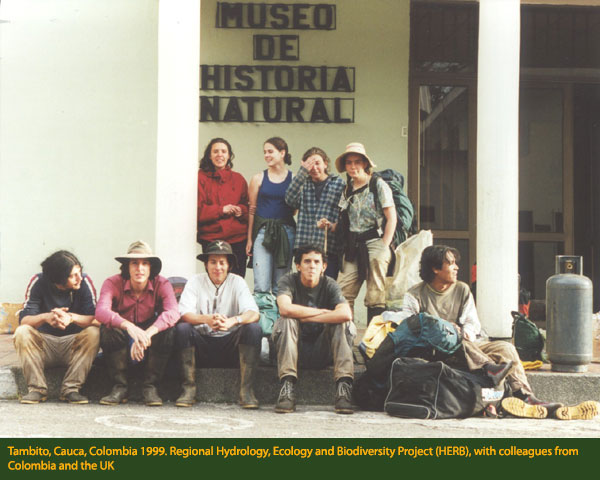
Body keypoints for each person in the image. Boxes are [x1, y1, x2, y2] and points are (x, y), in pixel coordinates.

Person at [398, 244, 570, 419]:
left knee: (505, 348)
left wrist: (464, 332)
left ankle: (525, 396)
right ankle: (492, 382)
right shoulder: (415, 294)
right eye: (450, 263)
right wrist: (445, 328)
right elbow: (409, 328)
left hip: (467, 345)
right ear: (435, 268)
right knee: (453, 339)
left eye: (455, 263)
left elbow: (472, 324)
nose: (456, 267)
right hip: (436, 351)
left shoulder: (462, 289)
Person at [174, 240, 261, 408]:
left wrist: (232, 321)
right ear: (206, 265)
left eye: (222, 262)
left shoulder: (238, 282)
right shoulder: (195, 281)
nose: (218, 267)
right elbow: (184, 313)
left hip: (230, 346)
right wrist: (206, 319)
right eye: (213, 262)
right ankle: (188, 389)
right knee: (183, 329)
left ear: (229, 265)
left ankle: (247, 391)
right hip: (202, 345)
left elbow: (253, 313)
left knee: (253, 329)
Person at [272, 244, 355, 414]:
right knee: (286, 321)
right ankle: (287, 388)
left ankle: (343, 388)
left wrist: (303, 315)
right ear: (298, 266)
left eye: (317, 262)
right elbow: (285, 309)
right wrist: (322, 312)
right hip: (294, 350)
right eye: (307, 261)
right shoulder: (288, 281)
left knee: (344, 324)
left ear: (323, 266)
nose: (312, 266)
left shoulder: (330, 284)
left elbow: (346, 314)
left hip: (322, 350)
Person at [95, 241, 179, 406]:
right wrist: (129, 327)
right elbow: (101, 311)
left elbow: (173, 312)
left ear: (150, 268)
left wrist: (147, 334)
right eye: (134, 263)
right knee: (108, 329)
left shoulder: (161, 283)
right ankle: (120, 386)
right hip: (123, 339)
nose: (139, 268)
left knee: (169, 331)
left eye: (144, 263)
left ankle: (150, 386)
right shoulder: (112, 282)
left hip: (150, 340)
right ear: (127, 267)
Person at [13, 251, 99, 404]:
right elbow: (24, 320)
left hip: (73, 347)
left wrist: (71, 318)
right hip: (44, 347)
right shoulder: (38, 282)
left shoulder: (84, 282)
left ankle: (71, 389)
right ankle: (36, 389)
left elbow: (97, 319)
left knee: (94, 332)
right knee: (22, 332)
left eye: (79, 272)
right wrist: (46, 317)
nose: (79, 278)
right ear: (58, 280)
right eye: (73, 275)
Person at [335, 142, 397, 324]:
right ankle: (346, 339)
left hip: (375, 240)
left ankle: (373, 343)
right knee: (343, 291)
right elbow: (345, 218)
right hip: (353, 244)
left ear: (365, 164)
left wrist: (384, 245)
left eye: (357, 162)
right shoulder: (347, 188)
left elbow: (391, 217)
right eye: (349, 163)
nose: (353, 166)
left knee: (376, 292)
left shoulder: (378, 185)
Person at [285, 147, 345, 279]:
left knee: (327, 287)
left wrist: (334, 224)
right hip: (305, 247)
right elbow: (289, 200)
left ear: (325, 164)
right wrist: (302, 173)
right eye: (310, 164)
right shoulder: (303, 184)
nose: (314, 167)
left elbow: (345, 212)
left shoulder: (338, 183)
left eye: (317, 163)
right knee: (305, 289)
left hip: (329, 247)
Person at [246, 137, 295, 295]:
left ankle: (280, 318)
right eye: (265, 152)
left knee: (281, 283)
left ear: (282, 153)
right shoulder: (258, 178)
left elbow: (294, 209)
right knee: (261, 283)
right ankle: (263, 318)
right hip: (262, 232)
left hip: (286, 232)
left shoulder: (293, 179)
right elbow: (252, 209)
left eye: (270, 151)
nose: (266, 155)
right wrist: (249, 239)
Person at [197, 138, 249, 277]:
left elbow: (248, 208)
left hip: (237, 240)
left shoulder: (238, 179)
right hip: (211, 238)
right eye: (215, 151)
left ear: (229, 155)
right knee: (215, 280)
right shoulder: (200, 177)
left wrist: (240, 211)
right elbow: (197, 211)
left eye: (224, 151)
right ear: (209, 155)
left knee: (237, 281)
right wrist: (221, 210)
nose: (220, 154)